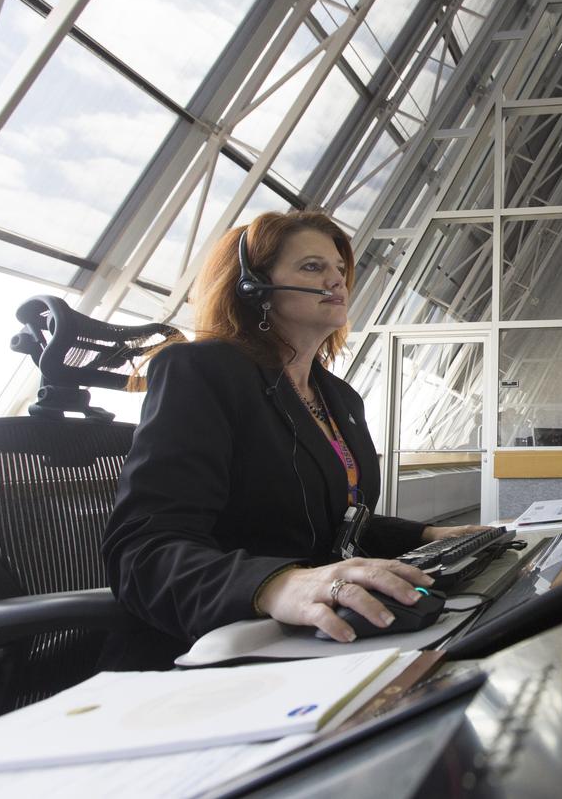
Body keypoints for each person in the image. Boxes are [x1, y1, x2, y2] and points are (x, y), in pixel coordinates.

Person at [102, 211, 486, 664]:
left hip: (319, 635)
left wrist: (426, 534)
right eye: (312, 267)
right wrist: (277, 584)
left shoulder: (338, 396)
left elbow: (331, 522)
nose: (336, 281)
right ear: (253, 286)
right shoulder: (203, 371)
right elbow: (145, 550)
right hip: (211, 647)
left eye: (340, 270)